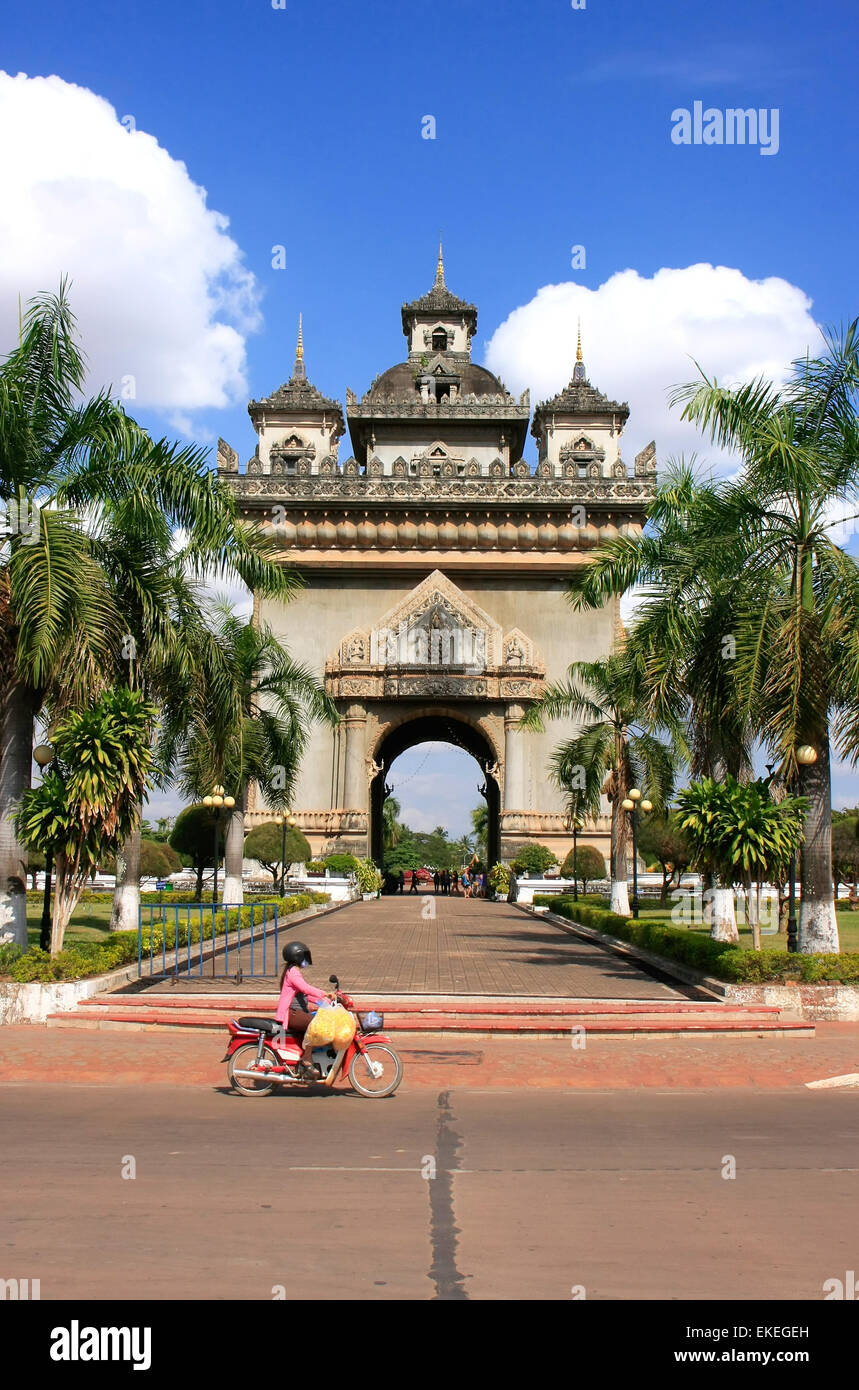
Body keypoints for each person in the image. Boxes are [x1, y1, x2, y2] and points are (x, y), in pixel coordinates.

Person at [275, 941, 334, 1080]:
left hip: (296, 1012)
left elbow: (305, 997)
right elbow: (305, 988)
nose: (306, 960)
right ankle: (307, 1058)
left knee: (319, 1021)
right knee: (317, 1025)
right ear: (297, 956)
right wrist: (324, 993)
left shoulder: (292, 971)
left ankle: (308, 1057)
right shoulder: (293, 972)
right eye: (304, 956)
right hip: (291, 1014)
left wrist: (327, 1002)